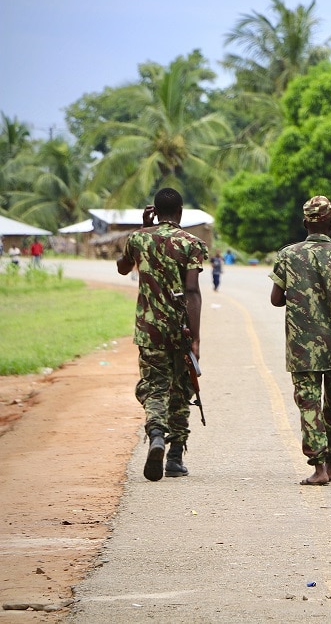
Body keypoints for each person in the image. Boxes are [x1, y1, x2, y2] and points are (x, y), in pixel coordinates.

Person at [270, 195, 331, 486]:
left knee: (308, 403)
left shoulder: (288, 255)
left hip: (301, 346)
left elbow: (275, 300)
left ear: (305, 222)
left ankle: (319, 468)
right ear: (330, 221)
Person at [116, 188, 207, 481]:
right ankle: (175, 458)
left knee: (155, 386)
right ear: (180, 211)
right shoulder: (191, 243)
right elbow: (192, 290)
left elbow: (122, 268)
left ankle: (156, 433)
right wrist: (195, 337)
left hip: (149, 330)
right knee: (182, 388)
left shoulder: (138, 239)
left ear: (154, 210)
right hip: (180, 331)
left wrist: (141, 228)